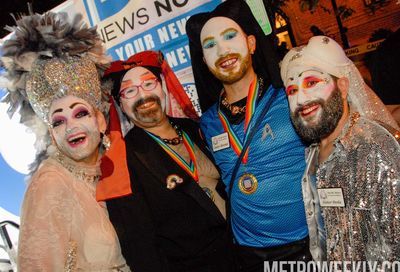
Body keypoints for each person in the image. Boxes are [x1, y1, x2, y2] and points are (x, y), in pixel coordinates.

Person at [186, 1, 311, 270]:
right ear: (204, 61)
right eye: (209, 45)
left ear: (252, 44)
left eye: (230, 36)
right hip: (246, 255)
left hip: (307, 246)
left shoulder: (290, 98)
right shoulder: (207, 123)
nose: (222, 50)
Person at [0, 11, 130, 271]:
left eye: (80, 113)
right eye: (58, 121)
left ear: (100, 121)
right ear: (52, 135)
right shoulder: (49, 183)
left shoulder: (115, 168)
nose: (70, 126)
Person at [100, 50, 232, 272]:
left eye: (149, 84)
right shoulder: (121, 160)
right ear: (120, 104)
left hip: (241, 254)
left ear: (162, 86)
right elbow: (140, 247)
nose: (143, 96)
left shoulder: (196, 128)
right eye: (130, 90)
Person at [280, 35, 400, 264]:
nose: (301, 99)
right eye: (292, 90)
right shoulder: (312, 153)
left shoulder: (376, 149)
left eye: (311, 83)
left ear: (343, 86)